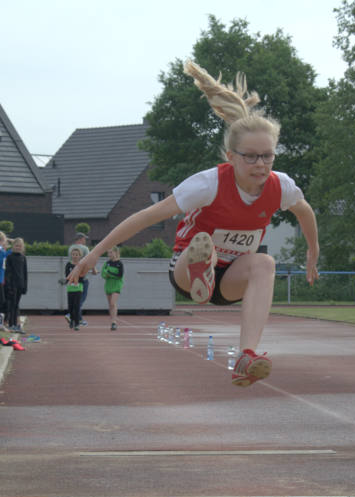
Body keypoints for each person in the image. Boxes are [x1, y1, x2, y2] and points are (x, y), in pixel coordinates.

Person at [68, 60, 319, 387]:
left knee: (264, 263)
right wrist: (94, 253)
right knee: (203, 246)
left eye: (267, 156)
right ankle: (203, 265)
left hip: (231, 277)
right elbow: (144, 217)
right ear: (231, 156)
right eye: (251, 157)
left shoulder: (280, 186)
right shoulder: (208, 184)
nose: (260, 164)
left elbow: (305, 212)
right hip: (185, 268)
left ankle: (246, 355)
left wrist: (313, 250)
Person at [65, 232, 95, 327]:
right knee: (81, 299)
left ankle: (79, 319)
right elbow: (89, 260)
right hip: (82, 277)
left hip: (72, 277)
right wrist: (94, 269)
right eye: (84, 239)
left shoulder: (70, 248)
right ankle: (71, 314)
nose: (85, 241)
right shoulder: (85, 249)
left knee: (73, 298)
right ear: (80, 239)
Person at [4, 238, 28, 332]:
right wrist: (8, 285)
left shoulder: (23, 257)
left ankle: (15, 324)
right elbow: (8, 272)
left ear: (22, 247)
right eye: (16, 245)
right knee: (12, 304)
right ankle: (11, 323)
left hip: (20, 284)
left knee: (16, 305)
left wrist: (25, 286)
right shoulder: (10, 257)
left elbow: (25, 273)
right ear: (13, 246)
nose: (18, 247)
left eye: (20, 246)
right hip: (12, 284)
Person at [101, 246, 124, 331]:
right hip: (108, 285)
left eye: (111, 252)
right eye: (108, 253)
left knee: (113, 303)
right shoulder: (107, 263)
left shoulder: (119, 263)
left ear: (116, 253)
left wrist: (109, 273)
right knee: (110, 304)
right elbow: (103, 273)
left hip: (116, 285)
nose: (109, 254)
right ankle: (112, 321)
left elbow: (119, 275)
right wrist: (107, 274)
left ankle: (114, 322)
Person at [65, 245, 85, 331]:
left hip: (78, 287)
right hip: (70, 288)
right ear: (71, 255)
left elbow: (82, 276)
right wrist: (71, 280)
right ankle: (72, 320)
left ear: (79, 256)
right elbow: (67, 276)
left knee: (77, 306)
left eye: (76, 254)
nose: (75, 256)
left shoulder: (81, 265)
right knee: (70, 306)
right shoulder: (68, 265)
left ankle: (77, 323)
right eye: (73, 254)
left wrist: (76, 280)